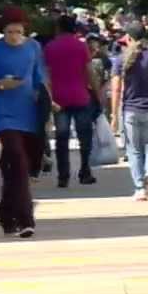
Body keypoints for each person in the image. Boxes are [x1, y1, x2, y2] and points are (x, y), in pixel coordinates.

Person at [0, 6, 46, 238]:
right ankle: (26, 219)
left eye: (18, 31)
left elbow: (39, 81)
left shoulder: (34, 47)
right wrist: (1, 84)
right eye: (10, 32)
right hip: (2, 113)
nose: (14, 36)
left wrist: (48, 105)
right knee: (18, 160)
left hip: (28, 113)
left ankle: (6, 215)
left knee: (13, 167)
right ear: (3, 31)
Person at [111, 21, 148, 201]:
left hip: (129, 110)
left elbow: (116, 90)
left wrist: (114, 115)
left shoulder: (121, 60)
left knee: (134, 150)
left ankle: (139, 188)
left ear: (128, 38)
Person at [44, 15, 98, 188]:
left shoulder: (50, 47)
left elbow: (47, 76)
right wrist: (96, 92)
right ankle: (85, 170)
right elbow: (89, 71)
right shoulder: (81, 46)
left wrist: (49, 98)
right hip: (80, 96)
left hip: (59, 99)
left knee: (62, 137)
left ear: (58, 28)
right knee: (85, 136)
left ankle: (63, 175)